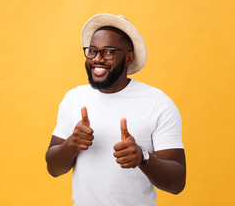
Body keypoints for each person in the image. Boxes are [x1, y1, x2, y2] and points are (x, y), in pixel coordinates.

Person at [45, 13, 186, 206]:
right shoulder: (73, 98)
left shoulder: (158, 103)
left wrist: (143, 157)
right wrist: (71, 143)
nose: (97, 59)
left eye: (109, 51)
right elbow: (53, 168)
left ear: (128, 57)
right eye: (92, 51)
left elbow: (177, 183)